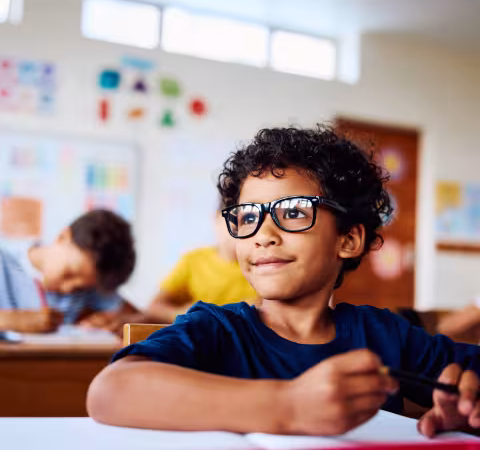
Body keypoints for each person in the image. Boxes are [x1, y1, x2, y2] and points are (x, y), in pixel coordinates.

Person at [87, 126, 480, 437]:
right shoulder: (217, 328)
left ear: (348, 239)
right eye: (246, 216)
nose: (262, 233)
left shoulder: (386, 336)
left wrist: (465, 414)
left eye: (293, 212)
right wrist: (289, 405)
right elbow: (109, 392)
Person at [81, 205, 257, 333]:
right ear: (216, 218)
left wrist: (199, 315)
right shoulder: (194, 261)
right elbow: (154, 308)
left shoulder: (263, 268)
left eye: (251, 224)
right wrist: (182, 314)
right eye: (235, 223)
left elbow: (263, 313)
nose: (241, 235)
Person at [0, 209, 136, 332]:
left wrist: (111, 320)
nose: (68, 288)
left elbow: (136, 316)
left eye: (80, 287)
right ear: (63, 237)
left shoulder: (90, 281)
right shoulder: (4, 261)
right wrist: (9, 321)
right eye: (69, 273)